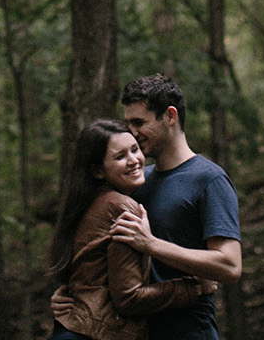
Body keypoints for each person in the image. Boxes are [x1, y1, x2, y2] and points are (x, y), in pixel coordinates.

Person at [54, 75, 242, 340]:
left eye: (139, 122)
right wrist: (74, 294)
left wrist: (152, 244)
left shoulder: (209, 180)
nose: (132, 131)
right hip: (135, 329)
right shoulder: (135, 182)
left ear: (170, 116)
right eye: (129, 123)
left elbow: (230, 266)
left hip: (188, 328)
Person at [46, 119, 216, 340]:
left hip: (71, 328)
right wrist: (194, 289)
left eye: (135, 149)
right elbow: (129, 299)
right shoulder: (121, 207)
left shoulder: (87, 200)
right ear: (98, 171)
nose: (134, 160)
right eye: (120, 157)